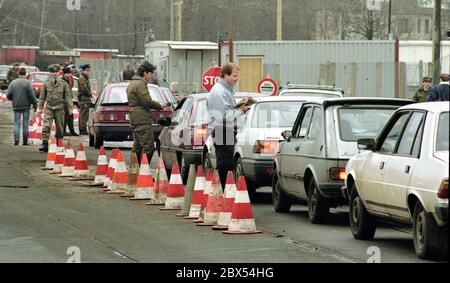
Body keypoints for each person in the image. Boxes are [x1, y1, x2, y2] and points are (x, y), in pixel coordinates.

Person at [206, 63, 250, 189]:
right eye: (234, 76)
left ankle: (225, 192)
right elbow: (223, 116)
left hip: (226, 130)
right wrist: (241, 110)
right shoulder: (220, 92)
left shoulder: (225, 90)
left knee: (226, 163)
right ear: (225, 75)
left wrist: (238, 105)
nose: (237, 79)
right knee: (225, 165)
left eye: (238, 76)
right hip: (223, 131)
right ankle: (224, 193)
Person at [126, 61, 168, 164]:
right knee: (148, 147)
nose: (151, 76)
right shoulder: (140, 84)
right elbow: (147, 101)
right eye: (150, 74)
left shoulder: (132, 83)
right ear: (145, 73)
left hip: (135, 118)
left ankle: (135, 172)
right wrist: (160, 105)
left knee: (138, 147)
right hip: (142, 119)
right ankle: (143, 173)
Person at [38, 64, 73, 152]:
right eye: (53, 72)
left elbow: (68, 96)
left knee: (60, 127)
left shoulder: (63, 84)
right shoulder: (46, 83)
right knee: (46, 125)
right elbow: (42, 97)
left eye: (56, 72)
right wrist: (40, 107)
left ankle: (59, 143)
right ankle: (45, 143)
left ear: (59, 73)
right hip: (49, 107)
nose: (55, 74)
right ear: (50, 73)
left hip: (59, 108)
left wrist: (70, 108)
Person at [6, 68, 38, 146]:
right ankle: (25, 141)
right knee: (25, 123)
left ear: (18, 73)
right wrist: (34, 104)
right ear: (25, 74)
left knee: (16, 123)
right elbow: (31, 95)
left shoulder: (13, 83)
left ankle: (16, 140)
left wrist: (13, 99)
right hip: (26, 106)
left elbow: (8, 94)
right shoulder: (28, 83)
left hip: (16, 105)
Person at [61, 66, 79, 136]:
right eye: (68, 73)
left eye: (70, 73)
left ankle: (72, 131)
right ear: (64, 74)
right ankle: (63, 131)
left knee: (70, 117)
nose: (70, 75)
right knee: (65, 117)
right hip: (64, 102)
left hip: (69, 101)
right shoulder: (63, 81)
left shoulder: (68, 81)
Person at [77, 64, 92, 135]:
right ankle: (83, 129)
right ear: (84, 70)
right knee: (84, 115)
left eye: (89, 70)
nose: (89, 72)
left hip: (85, 99)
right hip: (84, 99)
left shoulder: (85, 77)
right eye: (87, 70)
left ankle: (82, 129)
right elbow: (84, 89)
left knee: (83, 115)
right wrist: (90, 94)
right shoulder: (82, 78)